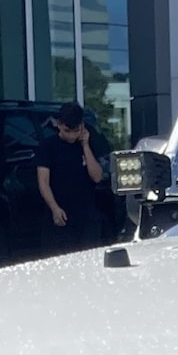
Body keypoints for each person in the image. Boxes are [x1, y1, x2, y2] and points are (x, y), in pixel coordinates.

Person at [34, 102, 120, 248]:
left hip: (86, 215)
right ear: (59, 125)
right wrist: (54, 208)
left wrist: (85, 145)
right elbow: (43, 181)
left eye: (76, 130)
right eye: (68, 131)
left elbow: (97, 176)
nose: (72, 135)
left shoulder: (89, 143)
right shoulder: (48, 146)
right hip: (60, 213)